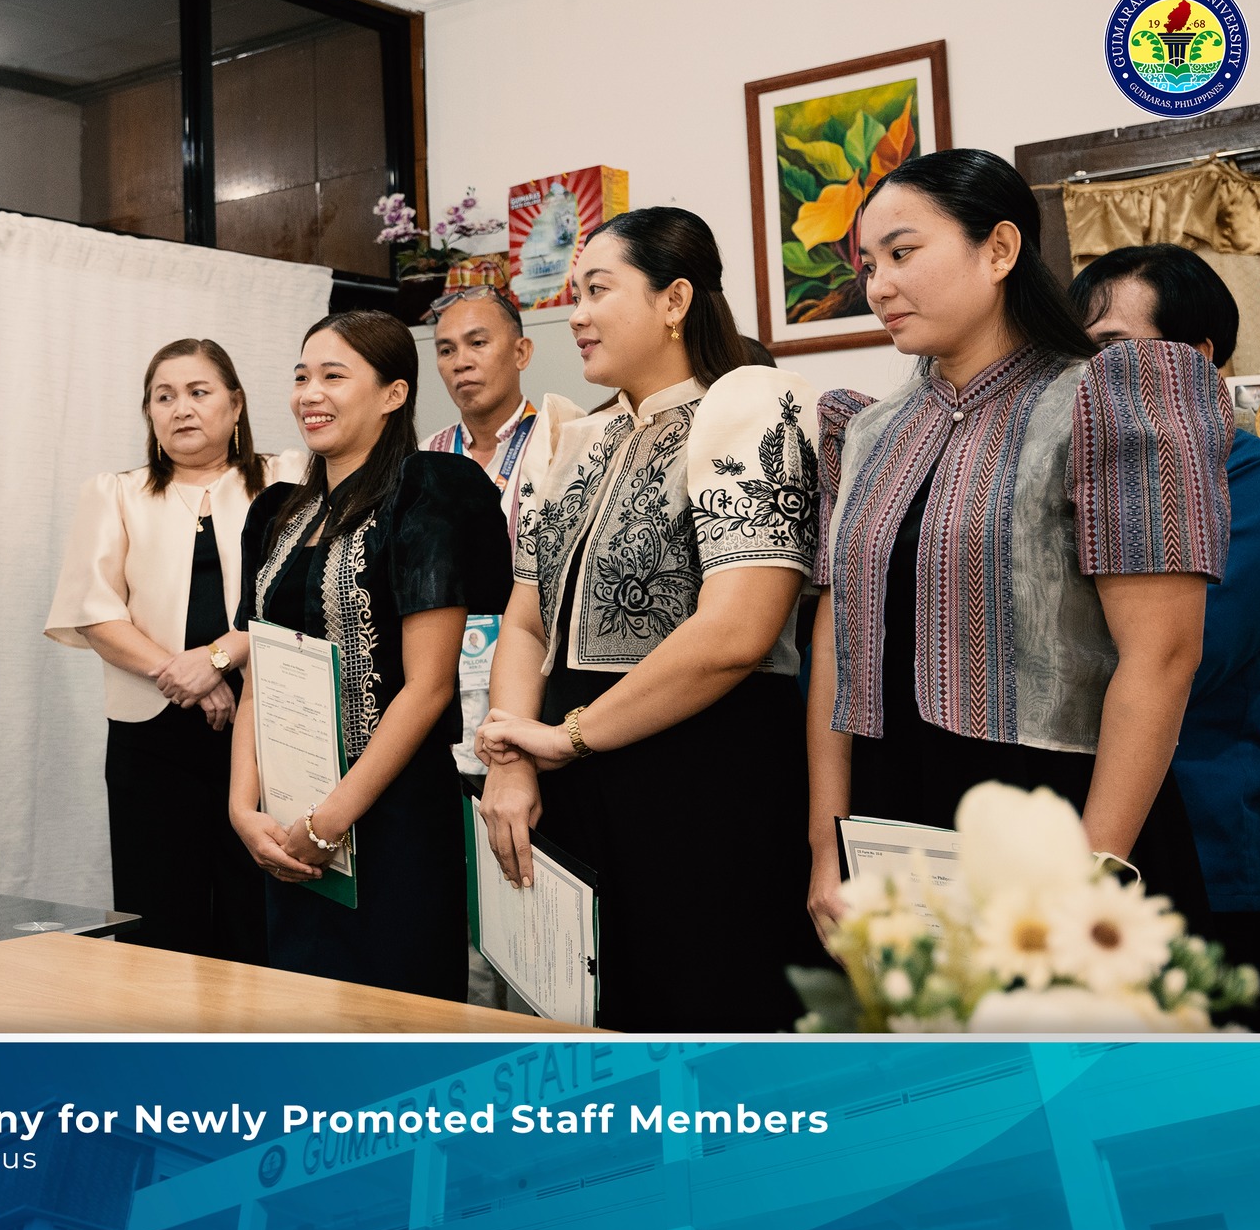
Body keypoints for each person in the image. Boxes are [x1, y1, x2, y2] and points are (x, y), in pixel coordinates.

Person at [808, 152, 1233, 943]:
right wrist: (826, 846)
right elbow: (838, 639)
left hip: (1066, 818)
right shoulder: (862, 431)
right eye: (868, 265)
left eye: (903, 254)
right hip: (898, 819)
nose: (878, 287)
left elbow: (1164, 656)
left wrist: (1091, 872)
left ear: (999, 250)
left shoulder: (1108, 398)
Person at [474, 207, 825, 1032]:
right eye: (574, 293)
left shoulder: (749, 410)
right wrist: (515, 758)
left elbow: (738, 634)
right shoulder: (574, 441)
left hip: (704, 780)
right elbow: (525, 625)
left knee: (704, 1018)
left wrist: (569, 737)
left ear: (674, 300)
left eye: (599, 290)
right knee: (587, 1023)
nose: (577, 314)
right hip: (570, 779)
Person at [229, 310, 509, 1001]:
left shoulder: (428, 491)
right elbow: (260, 673)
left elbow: (428, 687)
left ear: (394, 393)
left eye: (333, 375)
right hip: (287, 822)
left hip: (392, 822)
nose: (309, 394)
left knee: (396, 1026)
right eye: (300, 377)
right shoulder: (275, 515)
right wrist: (242, 807)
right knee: (302, 1024)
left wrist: (330, 823)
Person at [45, 339, 302, 962]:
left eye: (199, 391)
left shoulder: (287, 477)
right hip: (151, 737)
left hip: (269, 728)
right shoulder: (116, 492)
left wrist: (218, 658)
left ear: (235, 404)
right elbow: (95, 612)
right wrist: (181, 672)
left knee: (261, 909)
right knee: (158, 916)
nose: (181, 408)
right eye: (164, 397)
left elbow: (300, 599)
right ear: (150, 414)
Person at [1069, 244, 1260, 975]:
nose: (1090, 380)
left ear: (1198, 355)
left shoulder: (1255, 486)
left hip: (1215, 842)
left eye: (1112, 352)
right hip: (1104, 835)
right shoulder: (1098, 491)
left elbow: (1189, 654)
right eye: (1077, 356)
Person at [424, 285, 538, 544]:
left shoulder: (558, 443)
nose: (460, 362)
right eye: (446, 350)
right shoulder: (426, 458)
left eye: (477, 343)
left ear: (521, 353)